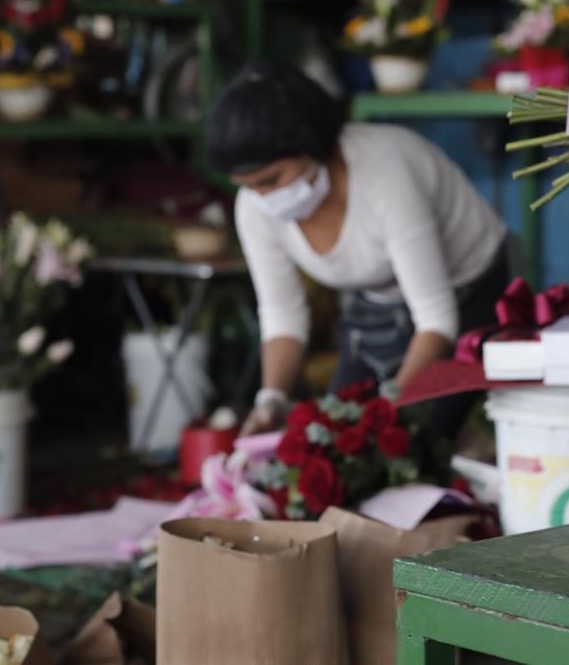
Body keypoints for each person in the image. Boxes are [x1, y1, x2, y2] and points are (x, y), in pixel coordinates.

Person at [207, 61, 510, 434]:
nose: (263, 197)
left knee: (417, 436)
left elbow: (436, 320)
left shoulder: (385, 174)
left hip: (470, 291)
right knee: (338, 439)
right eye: (249, 186)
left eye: (271, 179)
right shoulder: (254, 206)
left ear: (311, 143)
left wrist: (389, 411)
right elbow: (282, 314)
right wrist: (271, 400)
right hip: (377, 303)